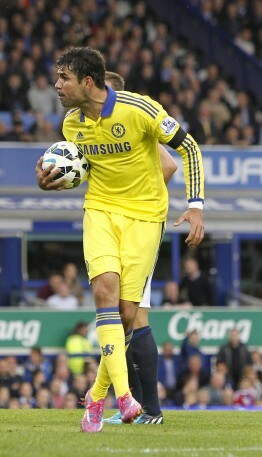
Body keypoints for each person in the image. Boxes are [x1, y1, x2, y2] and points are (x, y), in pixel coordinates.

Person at [36, 48, 205, 433]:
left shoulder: (139, 109)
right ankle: (126, 398)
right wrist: (49, 181)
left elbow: (187, 148)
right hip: (100, 210)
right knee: (104, 292)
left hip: (146, 217)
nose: (57, 85)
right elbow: (77, 171)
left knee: (128, 315)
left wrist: (195, 206)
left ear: (87, 82)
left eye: (63, 78)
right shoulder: (70, 125)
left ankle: (96, 398)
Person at [102, 71, 178, 426]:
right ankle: (135, 407)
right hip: (119, 227)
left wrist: (134, 197)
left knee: (133, 318)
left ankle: (150, 409)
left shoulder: (135, 126)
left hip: (140, 228)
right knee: (123, 318)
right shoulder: (98, 132)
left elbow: (169, 163)